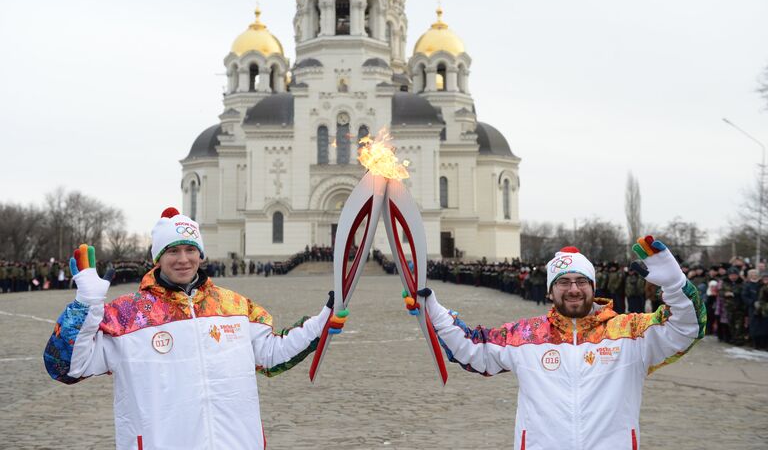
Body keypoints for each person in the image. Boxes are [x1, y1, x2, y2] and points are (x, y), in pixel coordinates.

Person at [43, 207, 343, 450]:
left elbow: (271, 354)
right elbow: (66, 367)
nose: (183, 259)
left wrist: (321, 322)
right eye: (173, 251)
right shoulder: (126, 316)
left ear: (201, 254)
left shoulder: (234, 306)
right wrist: (86, 305)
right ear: (158, 258)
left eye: (190, 249)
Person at [408, 236, 705, 450]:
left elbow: (686, 328)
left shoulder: (630, 332)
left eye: (581, 281)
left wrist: (676, 285)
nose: (573, 289)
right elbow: (473, 350)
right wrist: (433, 309)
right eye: (563, 282)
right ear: (551, 291)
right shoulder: (525, 336)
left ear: (592, 286)